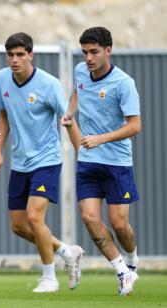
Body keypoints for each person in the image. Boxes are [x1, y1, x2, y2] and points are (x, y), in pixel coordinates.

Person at [0, 32, 84, 293]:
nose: (15, 60)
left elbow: (67, 119)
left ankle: (49, 278)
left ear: (31, 55)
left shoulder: (49, 84)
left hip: (47, 161)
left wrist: (82, 156)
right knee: (18, 226)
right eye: (10, 55)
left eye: (20, 54)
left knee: (34, 217)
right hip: (20, 162)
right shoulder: (1, 78)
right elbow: (3, 116)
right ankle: (67, 251)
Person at [61, 26, 140, 296]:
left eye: (94, 52)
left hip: (117, 162)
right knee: (89, 219)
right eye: (84, 52)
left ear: (108, 50)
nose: (88, 58)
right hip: (88, 161)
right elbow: (76, 91)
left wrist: (100, 139)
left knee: (119, 224)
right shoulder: (81, 71)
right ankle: (121, 271)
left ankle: (132, 261)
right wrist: (70, 112)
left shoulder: (123, 83)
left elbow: (135, 126)